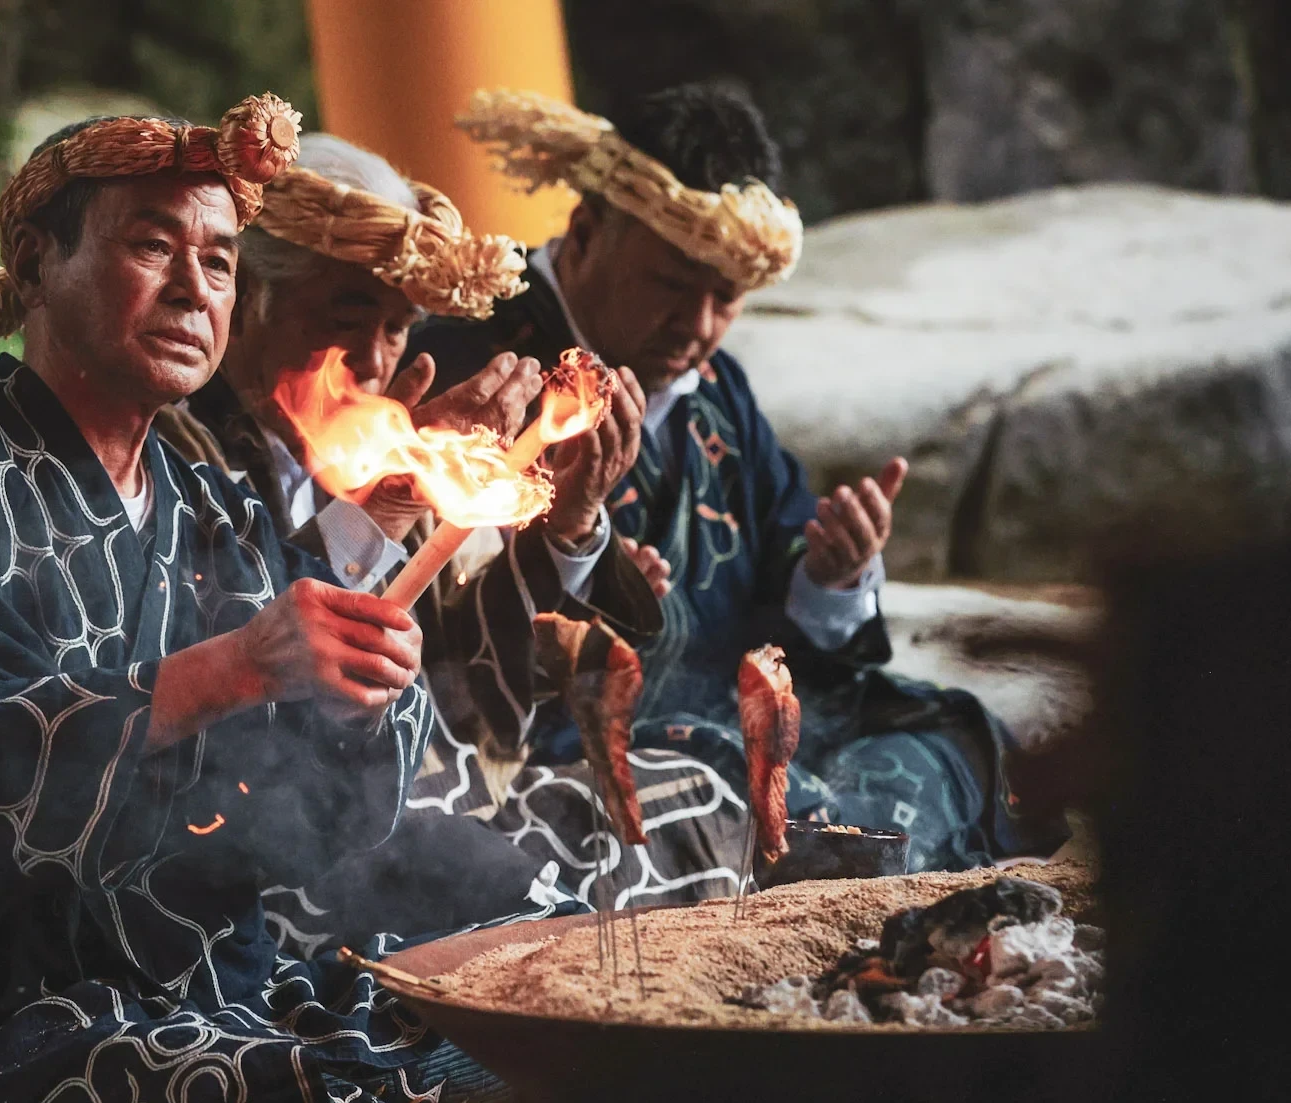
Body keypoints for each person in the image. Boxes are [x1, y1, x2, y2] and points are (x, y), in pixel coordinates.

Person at [0, 97, 565, 1103]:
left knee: (543, 1021)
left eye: (216, 259)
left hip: (224, 986)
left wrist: (356, 695)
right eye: (150, 246)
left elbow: (307, 826)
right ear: (36, 260)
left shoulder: (211, 500)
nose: (194, 288)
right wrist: (230, 667)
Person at [411, 85, 1064, 870]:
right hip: (575, 754)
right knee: (745, 806)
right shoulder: (471, 369)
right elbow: (447, 643)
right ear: (585, 232)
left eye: (726, 296)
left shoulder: (722, 392)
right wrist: (582, 567)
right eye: (673, 284)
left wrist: (833, 573)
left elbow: (785, 586)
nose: (700, 326)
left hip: (735, 717)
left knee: (955, 740)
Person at [155, 134, 764, 944]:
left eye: (399, 328)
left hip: (445, 786)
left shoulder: (377, 441)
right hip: (280, 837)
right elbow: (246, 666)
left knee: (703, 800)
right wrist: (398, 498)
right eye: (346, 318)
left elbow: (466, 681)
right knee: (556, 925)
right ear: (249, 295)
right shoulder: (176, 446)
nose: (372, 360)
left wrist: (573, 518)